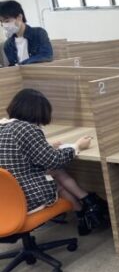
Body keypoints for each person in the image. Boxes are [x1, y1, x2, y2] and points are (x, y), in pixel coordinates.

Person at [0, 89, 109, 236]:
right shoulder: (27, 129)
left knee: (53, 172)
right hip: (26, 199)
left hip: (5, 198)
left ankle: (84, 207)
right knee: (54, 172)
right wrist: (77, 146)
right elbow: (54, 160)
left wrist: (46, 146)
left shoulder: (3, 126)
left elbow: (13, 151)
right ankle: (86, 205)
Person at [0, 0, 53, 66]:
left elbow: (46, 56)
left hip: (39, 71)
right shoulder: (8, 44)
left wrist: (21, 64)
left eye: (7, 21)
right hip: (21, 72)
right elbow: (13, 65)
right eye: (1, 22)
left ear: (19, 17)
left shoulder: (38, 33)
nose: (4, 25)